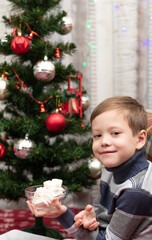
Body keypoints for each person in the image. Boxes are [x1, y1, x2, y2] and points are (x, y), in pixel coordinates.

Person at [27, 96, 152, 239]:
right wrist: (90, 220)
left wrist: (62, 214)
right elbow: (100, 218)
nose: (104, 141)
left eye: (115, 133)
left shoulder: (136, 192)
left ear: (140, 139)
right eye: (97, 135)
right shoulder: (111, 171)